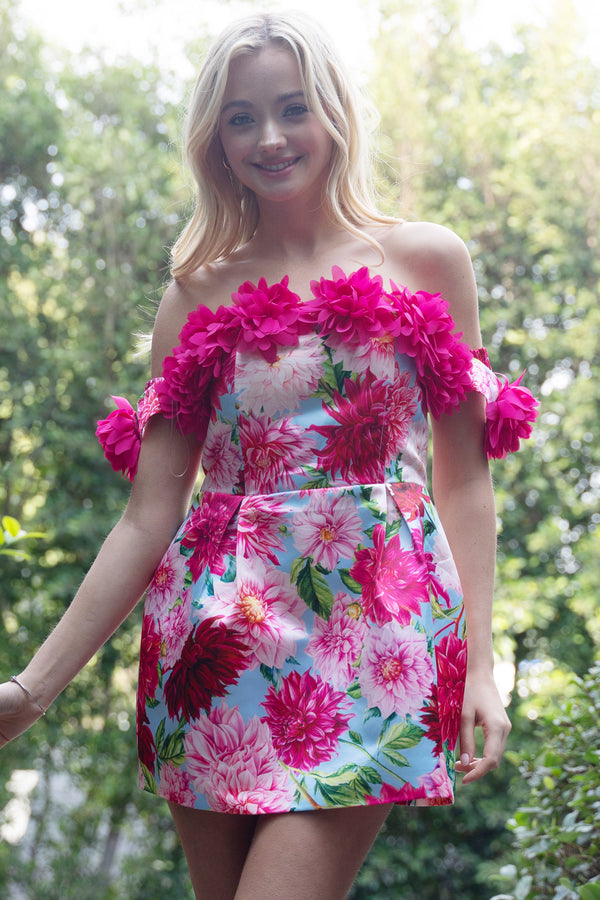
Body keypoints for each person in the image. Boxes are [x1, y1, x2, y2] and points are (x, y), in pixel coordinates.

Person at [0, 11, 538, 899]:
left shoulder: (427, 259)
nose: (272, 137)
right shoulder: (197, 291)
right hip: (210, 642)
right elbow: (149, 514)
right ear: (214, 139)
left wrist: (481, 664)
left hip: (377, 643)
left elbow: (465, 482)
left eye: (293, 108)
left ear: (333, 111)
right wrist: (34, 687)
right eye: (242, 118)